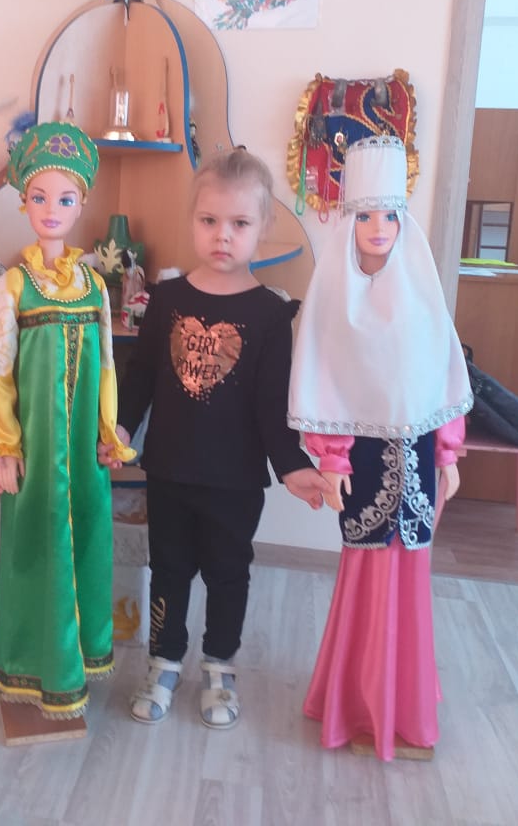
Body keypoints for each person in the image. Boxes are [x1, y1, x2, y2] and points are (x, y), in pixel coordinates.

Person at [101, 147, 329, 729]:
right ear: (193, 221)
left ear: (263, 228)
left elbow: (273, 405)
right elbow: (141, 378)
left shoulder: (271, 315)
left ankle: (220, 667)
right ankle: (163, 662)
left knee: (229, 573)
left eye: (239, 223)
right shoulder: (166, 301)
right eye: (209, 220)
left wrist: (294, 465)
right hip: (170, 470)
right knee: (168, 569)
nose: (223, 235)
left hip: (236, 480)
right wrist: (121, 427)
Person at [288, 134, 473, 761]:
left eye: (388, 216)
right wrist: (331, 457)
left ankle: (405, 705)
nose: (377, 228)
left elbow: (439, 372)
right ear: (350, 221)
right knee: (365, 575)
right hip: (362, 462)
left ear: (402, 221)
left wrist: (447, 452)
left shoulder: (421, 295)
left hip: (416, 457)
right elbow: (327, 378)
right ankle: (357, 701)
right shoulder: (333, 299)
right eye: (365, 215)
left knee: (410, 577)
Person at [0, 121, 136, 720]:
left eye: (65, 198)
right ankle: (32, 667)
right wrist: (5, 446)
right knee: (34, 550)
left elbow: (108, 366)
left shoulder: (94, 286)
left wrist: (108, 433)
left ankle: (80, 662)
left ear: (82, 204)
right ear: (24, 202)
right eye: (40, 197)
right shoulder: (14, 286)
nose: (52, 210)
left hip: (83, 450)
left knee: (87, 545)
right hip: (37, 450)